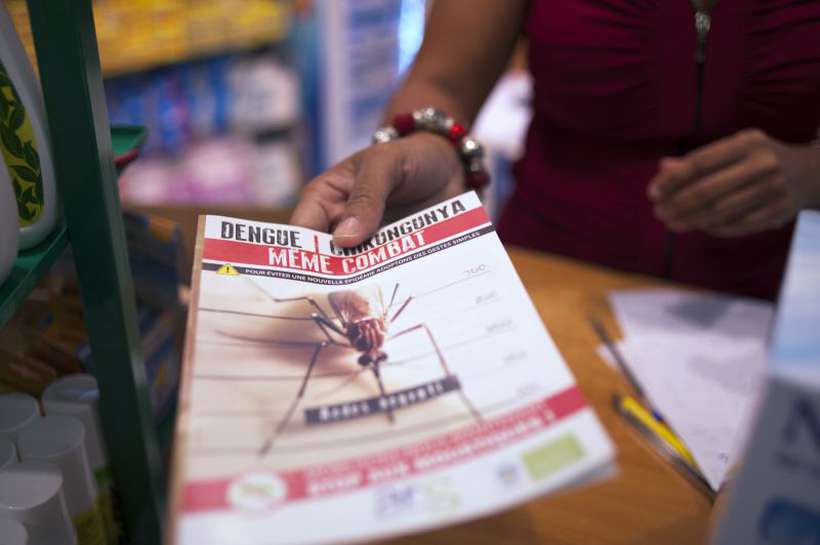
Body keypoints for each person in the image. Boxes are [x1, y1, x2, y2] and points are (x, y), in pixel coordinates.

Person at [291, 1, 820, 300]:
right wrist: (424, 145)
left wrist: (808, 174)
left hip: (780, 309)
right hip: (549, 288)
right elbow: (442, 82)